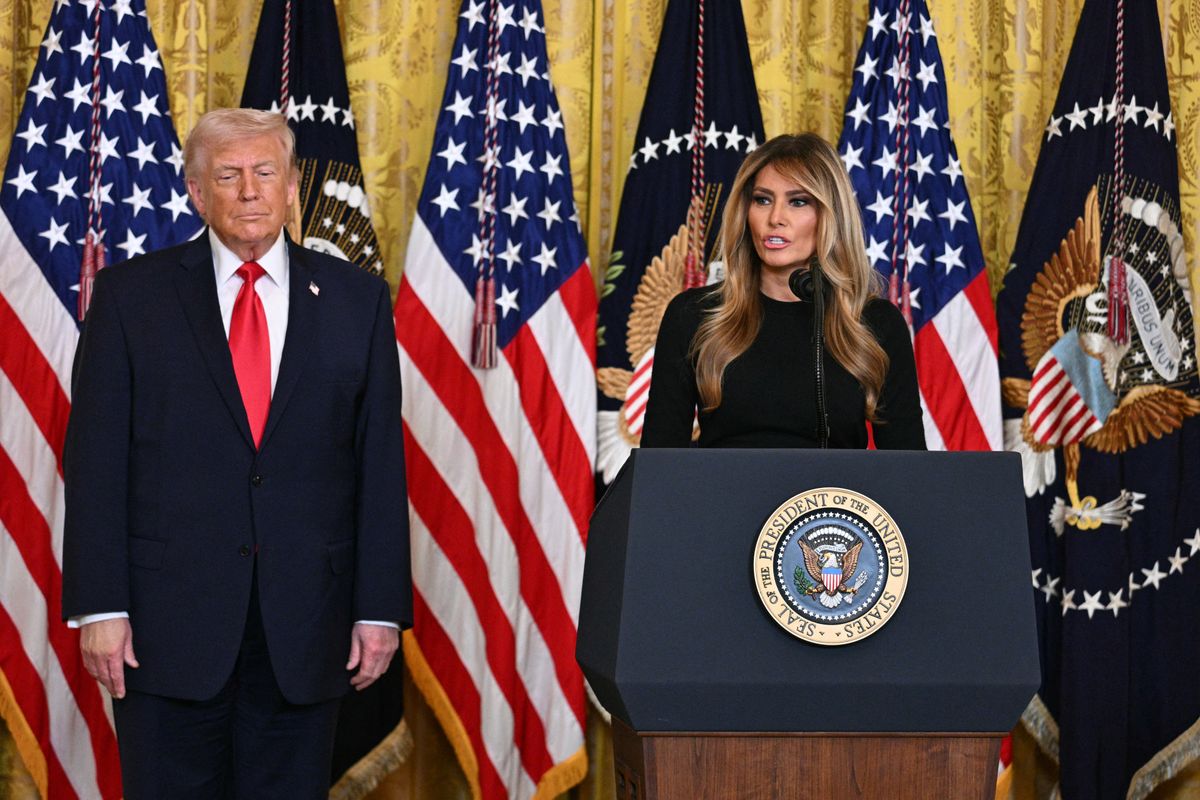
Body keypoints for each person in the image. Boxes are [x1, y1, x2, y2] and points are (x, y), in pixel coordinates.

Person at [61, 108, 411, 799]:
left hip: (307, 626)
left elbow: (378, 465)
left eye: (264, 173)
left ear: (289, 189)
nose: (249, 191)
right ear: (197, 192)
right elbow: (96, 461)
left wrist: (379, 609)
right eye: (228, 175)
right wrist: (99, 608)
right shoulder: (132, 298)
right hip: (165, 632)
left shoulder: (357, 300)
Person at [640, 132, 925, 450]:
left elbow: (909, 472)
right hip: (723, 499)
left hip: (834, 499)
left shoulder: (875, 323)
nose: (775, 218)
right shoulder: (693, 315)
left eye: (798, 201)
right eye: (762, 200)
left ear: (830, 215)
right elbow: (659, 464)